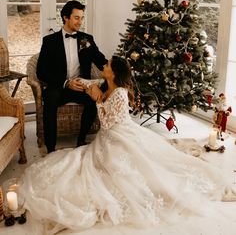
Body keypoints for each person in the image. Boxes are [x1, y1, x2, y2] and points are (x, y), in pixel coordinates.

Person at [21, 56, 236, 235]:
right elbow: (88, 83)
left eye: (106, 66)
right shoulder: (104, 85)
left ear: (113, 73)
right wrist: (79, 84)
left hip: (119, 136)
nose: (103, 67)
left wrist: (97, 100)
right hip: (107, 137)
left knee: (126, 170)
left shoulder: (121, 94)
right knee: (80, 163)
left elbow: (105, 123)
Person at [36, 0, 107, 153]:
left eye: (82, 18)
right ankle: (51, 148)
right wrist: (66, 83)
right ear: (65, 17)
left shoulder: (87, 39)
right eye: (76, 17)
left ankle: (81, 141)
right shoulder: (49, 41)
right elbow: (41, 71)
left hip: (82, 87)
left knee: (93, 99)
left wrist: (118, 69)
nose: (80, 21)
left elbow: (102, 62)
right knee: (50, 99)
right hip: (59, 86)